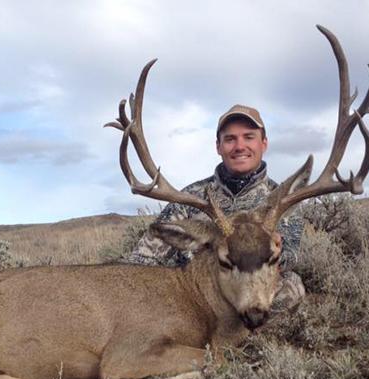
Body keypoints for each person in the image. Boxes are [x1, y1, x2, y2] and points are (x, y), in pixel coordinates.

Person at [127, 104, 306, 313]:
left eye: (249, 137)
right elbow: (142, 260)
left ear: (263, 143)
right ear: (218, 147)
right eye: (230, 139)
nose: (239, 146)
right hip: (192, 298)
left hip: (252, 290)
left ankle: (239, 337)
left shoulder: (282, 201)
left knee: (292, 288)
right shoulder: (190, 197)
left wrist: (274, 249)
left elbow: (290, 256)